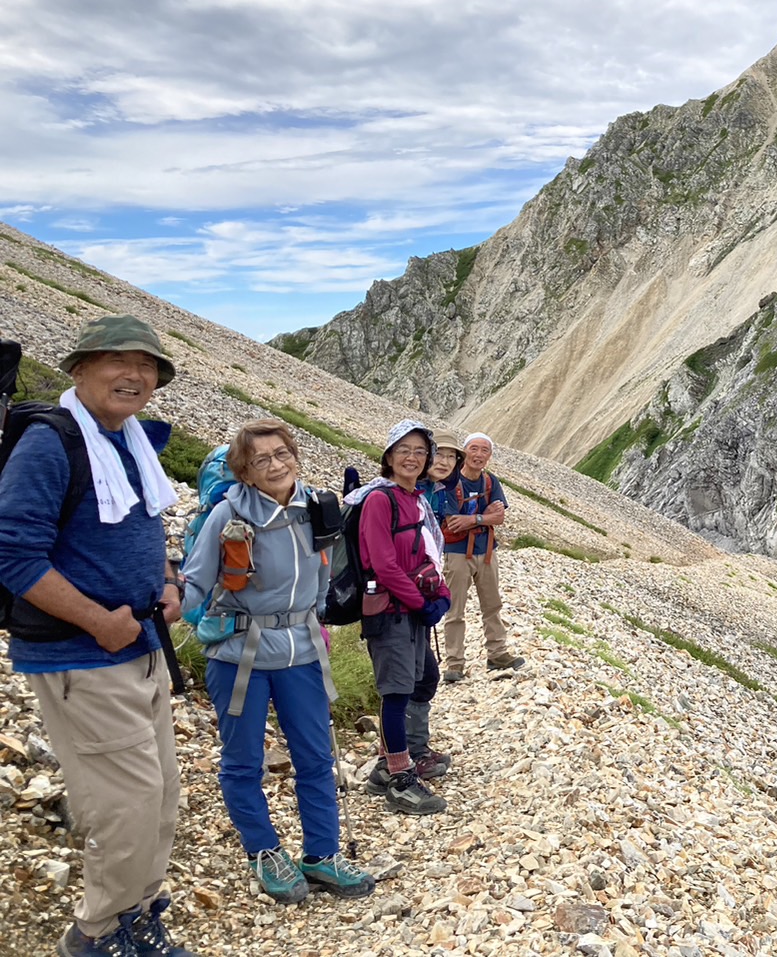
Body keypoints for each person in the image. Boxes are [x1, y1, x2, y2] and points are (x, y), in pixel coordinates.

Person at [0, 314, 198, 957]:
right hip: (82, 655)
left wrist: (166, 581)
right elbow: (12, 552)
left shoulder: (129, 442)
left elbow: (146, 527)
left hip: (139, 646)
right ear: (80, 368)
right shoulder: (51, 443)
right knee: (127, 805)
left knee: (160, 796)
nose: (135, 375)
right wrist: (96, 620)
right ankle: (97, 934)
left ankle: (137, 914)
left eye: (148, 367)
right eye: (119, 361)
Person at [180, 418, 375, 904]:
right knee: (244, 762)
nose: (274, 465)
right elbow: (194, 584)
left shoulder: (317, 508)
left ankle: (322, 854)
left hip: (302, 651)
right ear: (243, 471)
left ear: (295, 455)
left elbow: (326, 573)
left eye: (282, 453)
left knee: (316, 758)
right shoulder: (227, 515)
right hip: (238, 654)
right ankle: (263, 851)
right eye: (260, 459)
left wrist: (321, 617)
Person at [344, 419, 451, 815]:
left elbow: (425, 555)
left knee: (424, 678)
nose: (412, 457)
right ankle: (399, 778)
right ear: (388, 456)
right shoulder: (379, 500)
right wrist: (422, 603)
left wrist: (441, 595)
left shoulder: (413, 498)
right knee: (396, 692)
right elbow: (384, 566)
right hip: (390, 611)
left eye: (420, 451)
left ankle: (397, 760)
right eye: (404, 450)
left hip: (410, 610)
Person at [440, 432, 523, 683]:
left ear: (489, 456)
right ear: (464, 453)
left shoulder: (490, 481)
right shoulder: (450, 482)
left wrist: (473, 519)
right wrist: (485, 517)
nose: (478, 455)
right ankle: (454, 664)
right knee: (455, 609)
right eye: (474, 449)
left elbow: (499, 517)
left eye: (484, 450)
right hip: (457, 553)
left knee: (492, 604)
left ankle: (497, 654)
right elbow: (453, 523)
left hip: (486, 551)